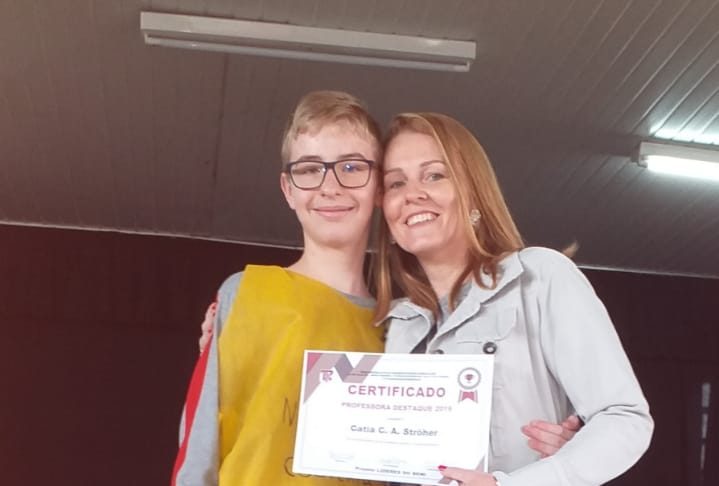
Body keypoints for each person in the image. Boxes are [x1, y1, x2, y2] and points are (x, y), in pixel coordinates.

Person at [180, 92, 578, 485]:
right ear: (288, 189)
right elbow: (197, 453)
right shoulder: (245, 293)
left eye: (352, 167)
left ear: (378, 190)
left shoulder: (405, 330)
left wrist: (554, 460)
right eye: (310, 169)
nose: (330, 187)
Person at [374, 112, 654, 486]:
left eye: (435, 175)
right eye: (396, 183)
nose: (412, 194)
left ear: (474, 193)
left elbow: (624, 419)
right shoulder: (390, 325)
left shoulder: (540, 277)